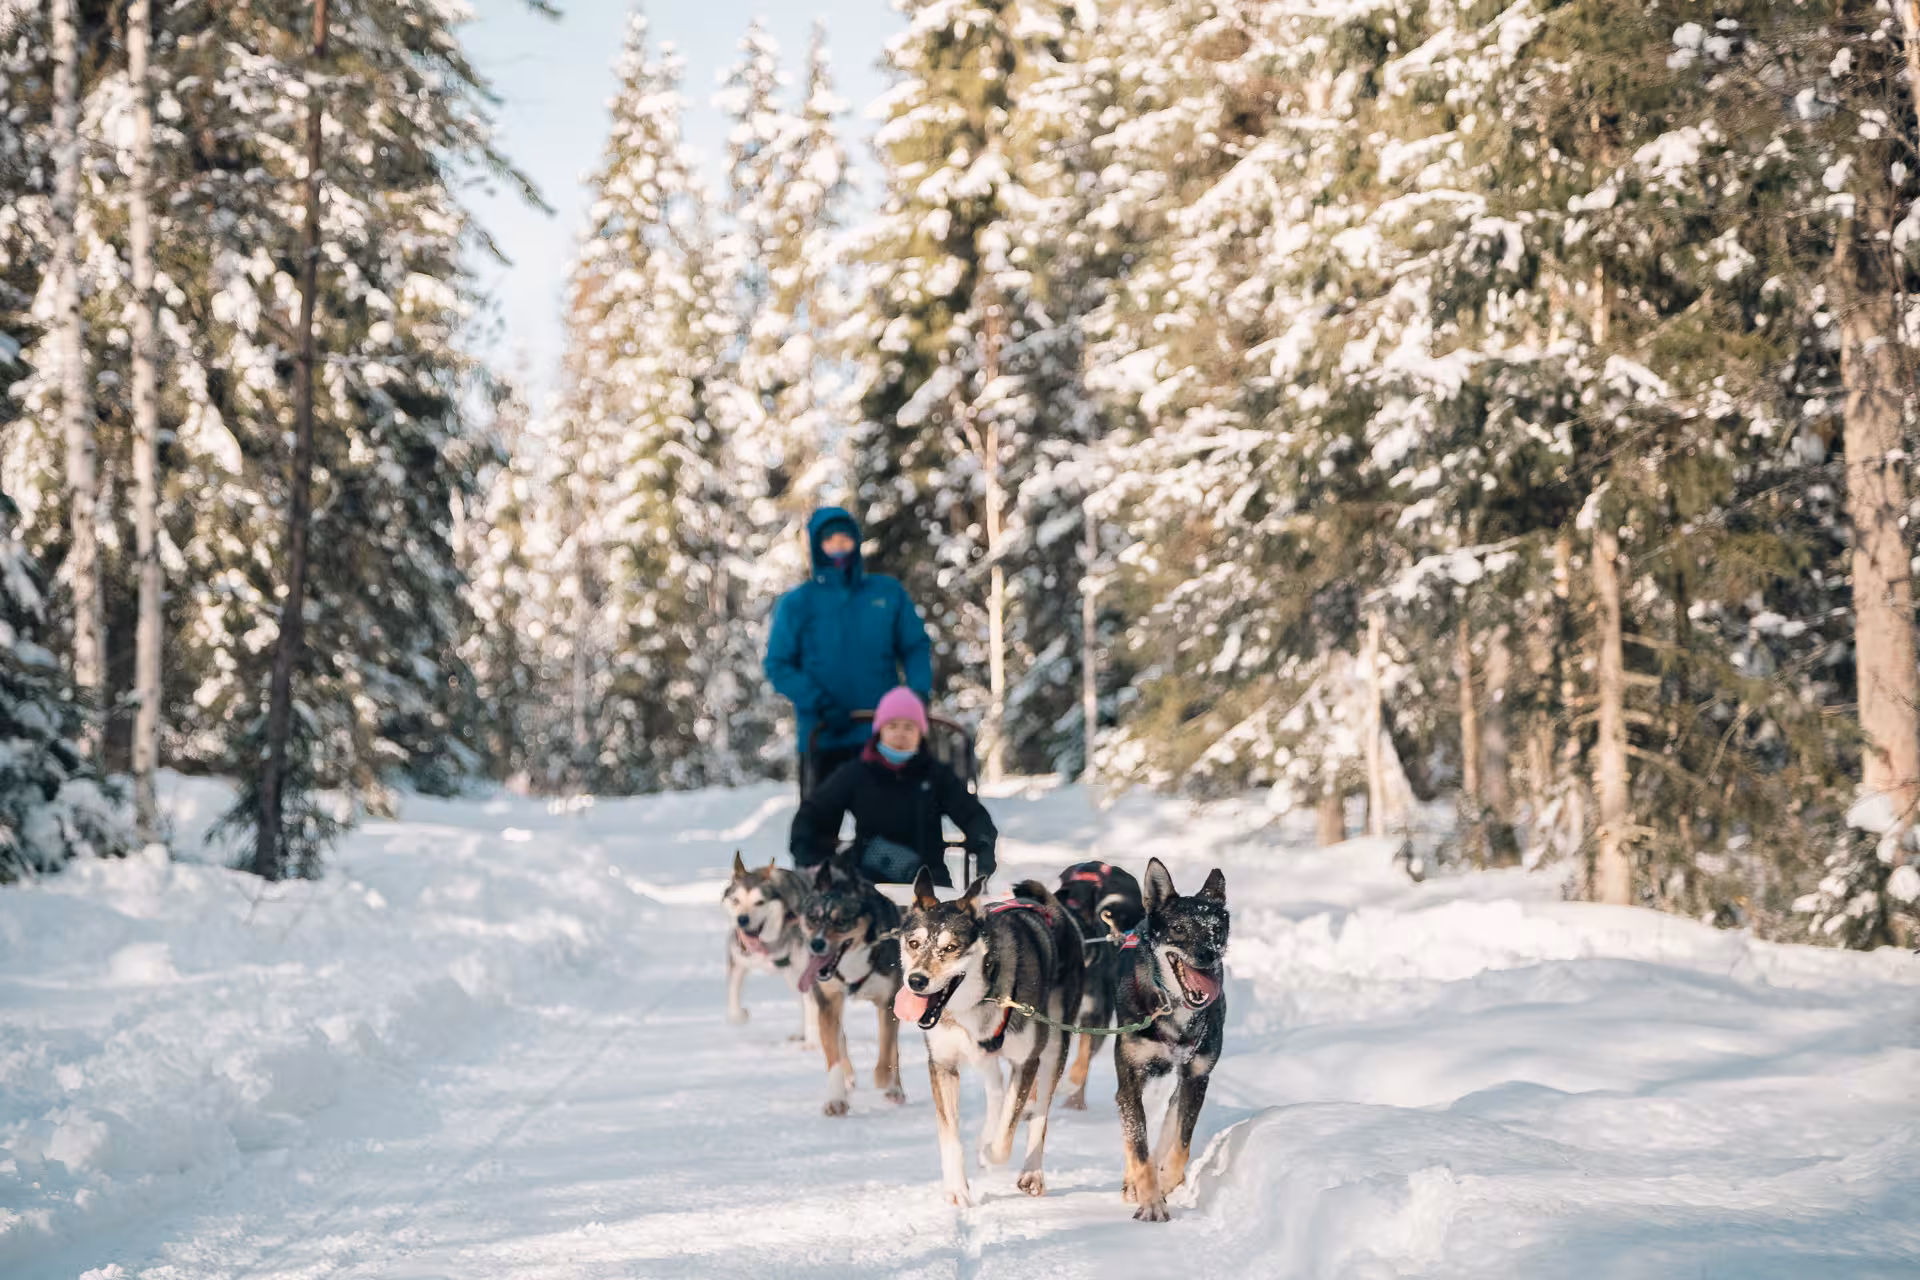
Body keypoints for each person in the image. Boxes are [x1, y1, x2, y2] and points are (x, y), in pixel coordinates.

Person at [765, 506, 932, 808]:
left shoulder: (886, 593)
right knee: (818, 824)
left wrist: (917, 693)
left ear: (856, 542)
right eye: (830, 541)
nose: (839, 547)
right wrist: (820, 703)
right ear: (817, 546)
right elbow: (779, 664)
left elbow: (914, 646)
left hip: (883, 736)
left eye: (845, 539)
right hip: (823, 735)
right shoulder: (798, 603)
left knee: (890, 823)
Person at [790, 687, 996, 887]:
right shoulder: (856, 773)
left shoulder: (936, 775)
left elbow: (972, 815)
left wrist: (983, 844)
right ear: (880, 730)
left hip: (928, 880)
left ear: (920, 733)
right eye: (892, 726)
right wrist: (809, 857)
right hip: (866, 881)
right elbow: (813, 812)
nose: (900, 734)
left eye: (909, 727)